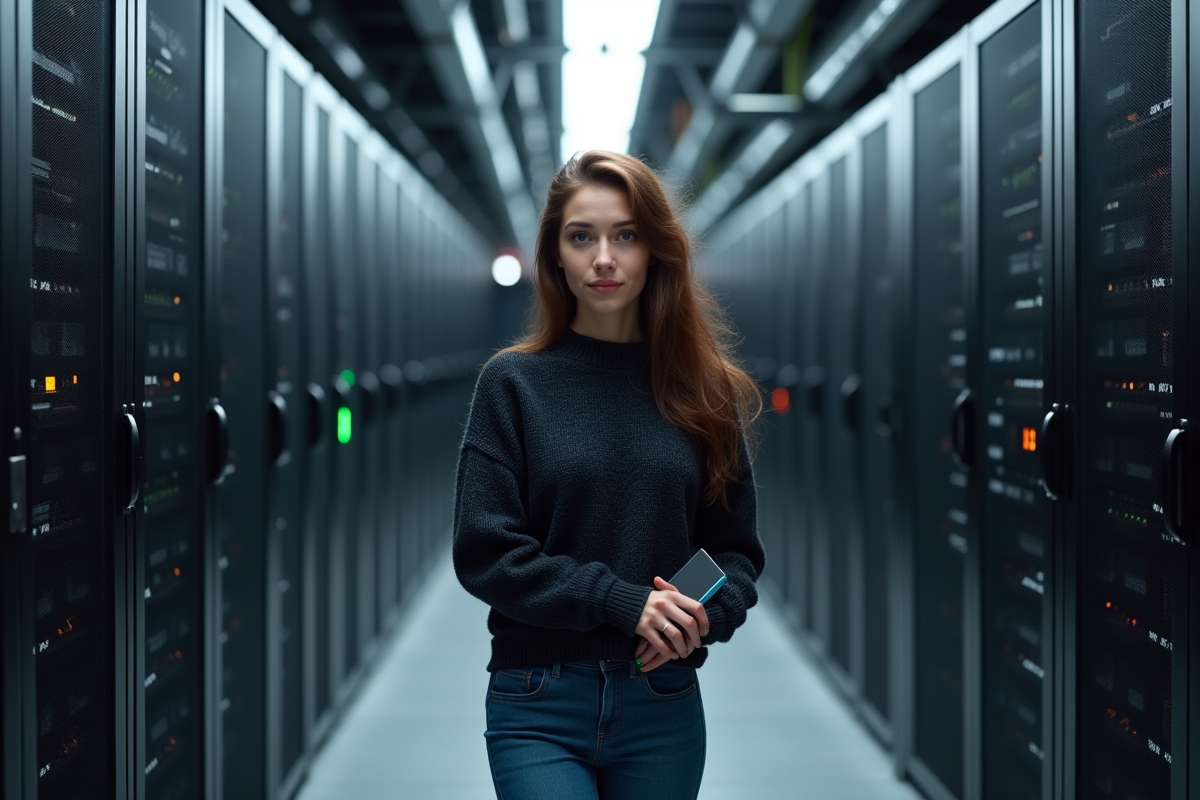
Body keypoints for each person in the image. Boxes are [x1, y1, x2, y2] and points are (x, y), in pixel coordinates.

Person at [452, 150, 766, 800]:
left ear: (655, 249)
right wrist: (624, 603)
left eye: (625, 235)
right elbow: (487, 551)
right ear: (556, 257)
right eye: (581, 237)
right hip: (538, 699)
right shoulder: (513, 385)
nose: (603, 257)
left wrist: (694, 612)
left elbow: (732, 550)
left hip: (661, 698)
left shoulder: (704, 390)